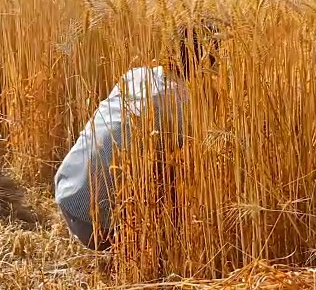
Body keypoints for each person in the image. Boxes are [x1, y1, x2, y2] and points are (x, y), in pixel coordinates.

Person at [54, 20, 221, 251]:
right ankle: (158, 251)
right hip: (98, 225)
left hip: (66, 191)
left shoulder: (135, 75)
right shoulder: (186, 105)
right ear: (208, 59)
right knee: (185, 170)